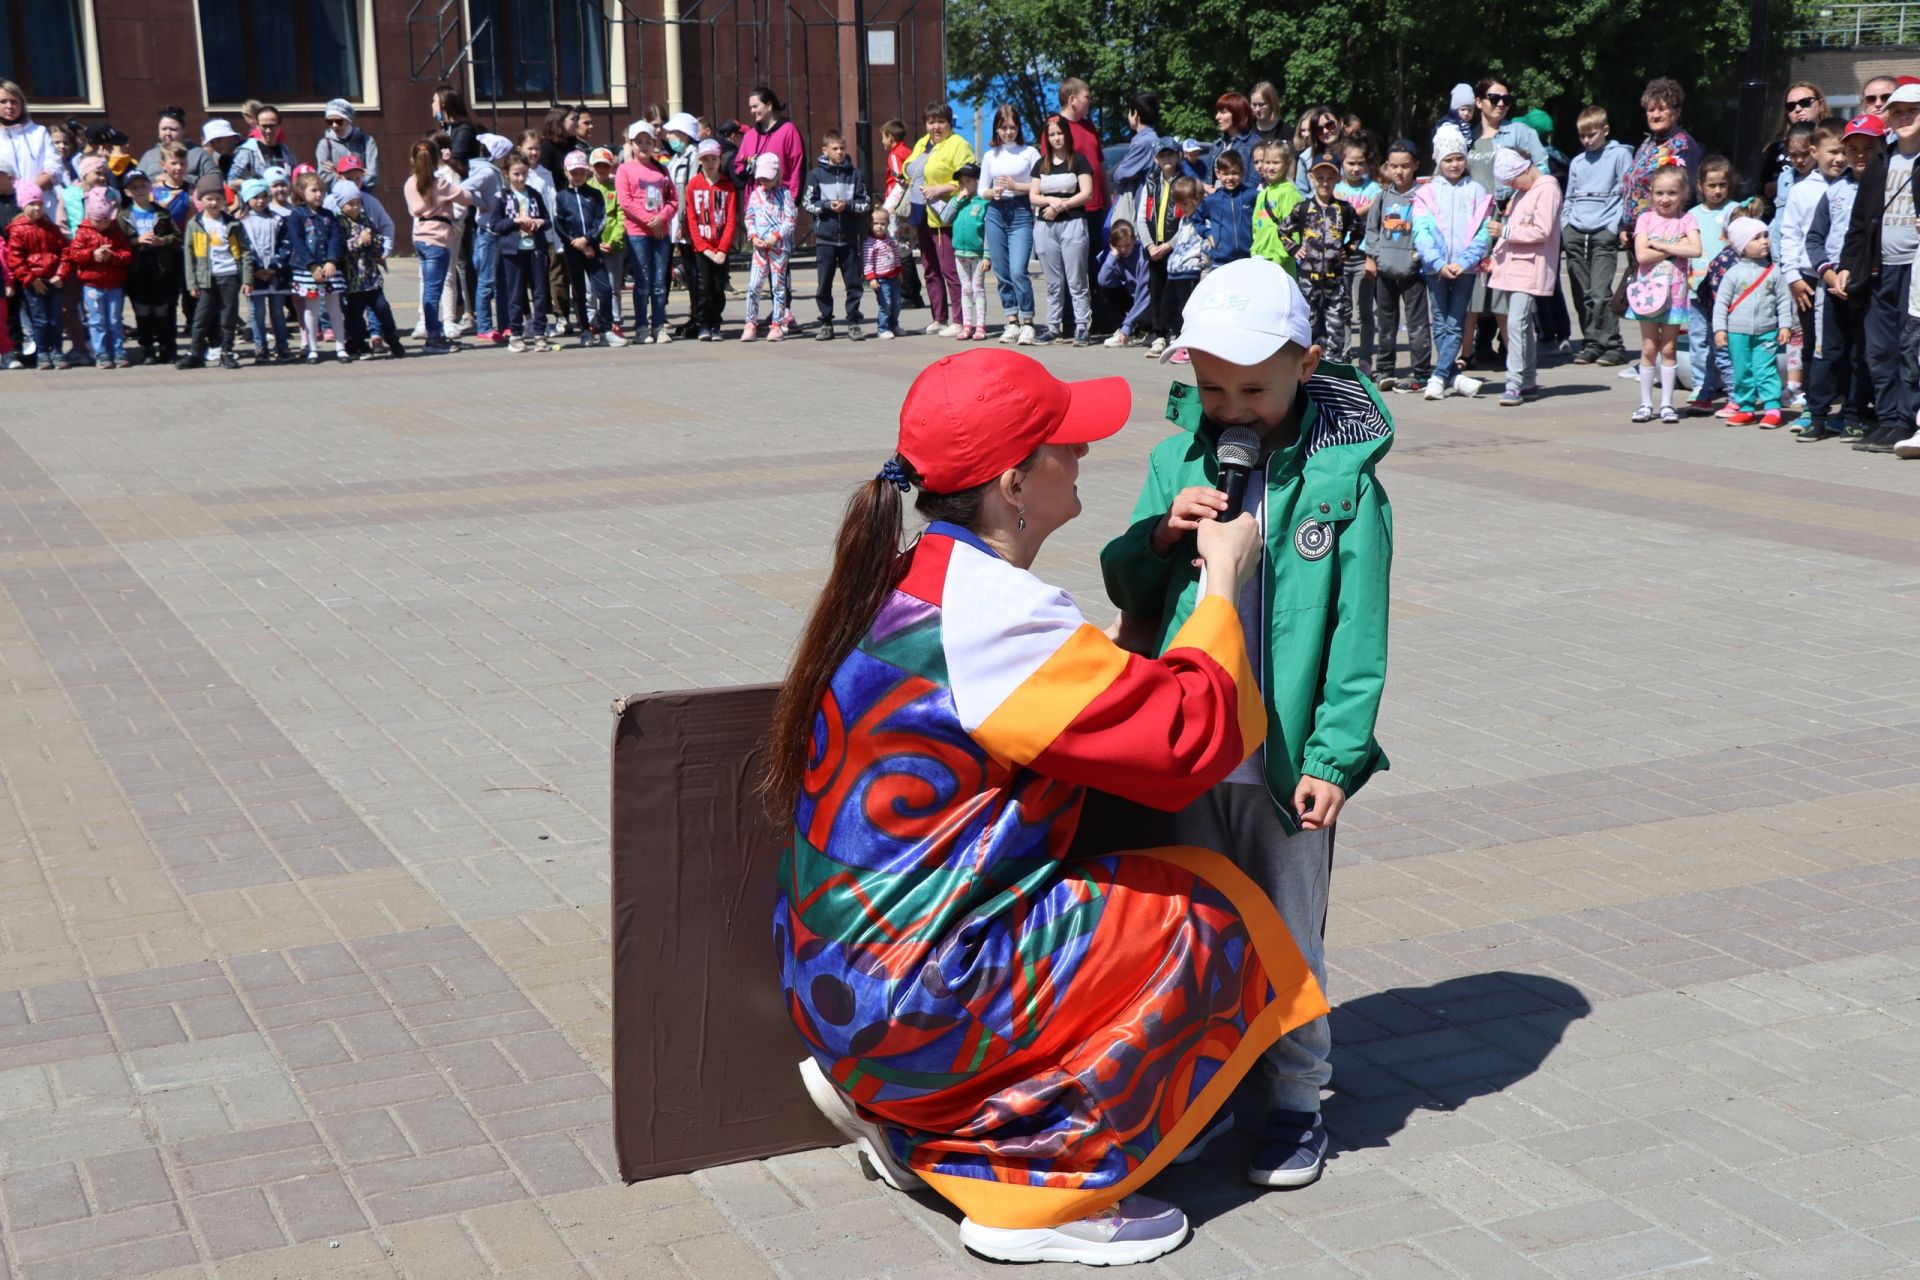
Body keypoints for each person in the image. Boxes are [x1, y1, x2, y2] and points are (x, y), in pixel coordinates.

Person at [770, 344, 1320, 1267]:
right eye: (1068, 445)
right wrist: (1225, 574)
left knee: (1147, 890)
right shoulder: (998, 615)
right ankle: (1043, 1186)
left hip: (840, 978)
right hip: (915, 995)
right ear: (1015, 481)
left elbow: (1087, 696)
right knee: (1214, 918)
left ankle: (910, 1114)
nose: (1086, 457)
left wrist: (1148, 580)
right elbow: (1187, 738)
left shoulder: (922, 576)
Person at [1101, 255, 1391, 1198]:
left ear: (1306, 365)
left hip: (1282, 761)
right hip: (1185, 753)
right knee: (1186, 926)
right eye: (1210, 387)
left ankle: (1298, 1097)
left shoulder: (1347, 483)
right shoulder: (1174, 458)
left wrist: (1336, 757)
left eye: (1253, 388)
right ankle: (1202, 1088)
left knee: (1287, 930)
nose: (1230, 407)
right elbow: (1128, 592)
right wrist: (1158, 538)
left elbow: (1359, 629)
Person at [1836, 77, 1920, 454]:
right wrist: (1846, 266)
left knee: (1910, 347)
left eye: (1911, 111)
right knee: (1879, 348)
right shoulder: (1879, 162)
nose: (1903, 118)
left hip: (1915, 268)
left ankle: (1910, 420)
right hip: (1879, 267)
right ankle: (1889, 420)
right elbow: (1858, 223)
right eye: (1896, 113)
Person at [1800, 114, 1879, 443]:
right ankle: (1817, 414)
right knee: (1826, 352)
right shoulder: (1833, 192)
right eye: (1853, 149)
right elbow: (1814, 239)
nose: (1860, 155)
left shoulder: (1883, 188)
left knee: (1861, 354)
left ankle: (1853, 414)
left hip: (1868, 287)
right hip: (1831, 286)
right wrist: (1829, 275)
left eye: (1868, 148)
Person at [1413, 130, 1492, 399]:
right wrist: (1437, 261)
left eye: (1459, 158)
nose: (1454, 164)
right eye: (1448, 159)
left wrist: (1465, 261)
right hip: (1435, 269)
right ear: (1438, 161)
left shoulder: (1477, 190)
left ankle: (1438, 376)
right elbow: (1421, 232)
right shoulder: (1426, 193)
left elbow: (1483, 232)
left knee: (1456, 322)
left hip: (1466, 269)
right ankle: (1452, 376)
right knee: (1440, 320)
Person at [1625, 163, 1702, 423]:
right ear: (1651, 194)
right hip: (1648, 294)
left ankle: (1668, 404)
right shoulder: (1645, 219)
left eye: (1671, 193)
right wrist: (1672, 247)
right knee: (1648, 347)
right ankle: (1646, 403)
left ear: (1683, 194)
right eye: (1659, 193)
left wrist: (1658, 244)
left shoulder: (1687, 219)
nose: (1665, 199)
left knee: (1668, 347)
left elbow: (1696, 249)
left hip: (1676, 294)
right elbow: (1641, 254)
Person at [1487, 147, 1562, 406]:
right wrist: (1496, 256)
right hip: (1515, 268)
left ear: (1523, 170)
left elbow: (1541, 230)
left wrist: (1504, 231)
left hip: (1530, 269)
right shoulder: (1524, 192)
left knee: (1516, 324)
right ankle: (1528, 379)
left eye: (1511, 180)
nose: (1510, 186)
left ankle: (1514, 382)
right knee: (1523, 325)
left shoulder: (1547, 189)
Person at [1778, 125, 1843, 416]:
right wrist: (1792, 276)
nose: (1840, 158)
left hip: (1842, 275)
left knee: (1841, 341)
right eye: (1833, 151)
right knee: (1811, 343)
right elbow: (1789, 234)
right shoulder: (1802, 191)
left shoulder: (1854, 186)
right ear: (1816, 153)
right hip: (1807, 277)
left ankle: (1843, 399)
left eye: (1845, 152)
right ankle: (1813, 401)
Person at [1563, 105, 1634, 365]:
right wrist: (1566, 226)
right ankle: (1592, 342)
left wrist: (1613, 227)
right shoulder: (1578, 162)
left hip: (1604, 229)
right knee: (1582, 292)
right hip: (1576, 230)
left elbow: (1626, 193)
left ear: (1605, 130)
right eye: (1583, 136)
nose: (1587, 140)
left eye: (1592, 134)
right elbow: (1569, 195)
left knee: (1600, 291)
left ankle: (1613, 344)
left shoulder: (1619, 155)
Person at [1714, 217, 1794, 427]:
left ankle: (1772, 408)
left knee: (1766, 369)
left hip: (1767, 331)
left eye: (1766, 236)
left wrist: (1785, 325)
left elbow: (1784, 300)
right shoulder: (1733, 274)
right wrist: (1720, 329)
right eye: (1756, 238)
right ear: (1742, 246)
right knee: (1742, 370)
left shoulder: (1774, 271)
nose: (1764, 241)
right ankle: (1746, 407)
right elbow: (1721, 303)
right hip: (1737, 332)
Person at [905, 103, 976, 337]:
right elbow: (910, 168)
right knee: (930, 268)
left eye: (940, 122)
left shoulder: (958, 144)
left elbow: (969, 180)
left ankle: (960, 319)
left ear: (949, 123)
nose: (935, 127)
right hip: (922, 212)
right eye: (931, 122)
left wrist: (941, 188)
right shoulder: (923, 143)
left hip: (946, 215)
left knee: (950, 269)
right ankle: (939, 317)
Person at [1281, 158, 1361, 362]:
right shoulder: (1303, 208)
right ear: (1311, 178)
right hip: (1309, 278)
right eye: (1320, 178)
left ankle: (1335, 363)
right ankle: (1309, 364)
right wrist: (1295, 248)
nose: (1325, 183)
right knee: (1309, 323)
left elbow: (1359, 231)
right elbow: (1283, 230)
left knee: (1336, 322)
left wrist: (1348, 250)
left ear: (1337, 179)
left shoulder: (1344, 209)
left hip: (1335, 278)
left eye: (1330, 178)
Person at [1368, 139, 1431, 393]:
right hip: (1385, 270)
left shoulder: (1423, 197)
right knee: (1385, 323)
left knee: (1417, 325)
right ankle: (1384, 370)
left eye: (1405, 166)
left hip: (1412, 271)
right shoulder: (1382, 197)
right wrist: (1373, 257)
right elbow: (1371, 230)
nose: (1399, 171)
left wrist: (1420, 257)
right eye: (1394, 166)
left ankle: (1422, 372)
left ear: (1415, 165)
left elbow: (1429, 230)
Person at [402, 139, 473, 354]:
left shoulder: (409, 183)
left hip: (421, 238)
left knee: (428, 287)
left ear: (413, 159)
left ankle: (435, 332)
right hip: (438, 239)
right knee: (435, 290)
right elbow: (467, 197)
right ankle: (433, 338)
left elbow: (414, 209)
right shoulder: (439, 183)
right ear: (435, 159)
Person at [802, 129, 872, 341]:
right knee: (824, 283)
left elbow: (866, 203)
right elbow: (807, 203)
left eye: (842, 148)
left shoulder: (855, 174)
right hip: (826, 240)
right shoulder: (816, 175)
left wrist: (848, 206)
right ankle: (825, 322)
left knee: (853, 282)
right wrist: (826, 206)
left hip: (849, 239)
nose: (840, 152)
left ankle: (853, 321)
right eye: (835, 149)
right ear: (825, 150)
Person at [1030, 114, 1093, 346]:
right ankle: (1053, 326)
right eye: (1052, 134)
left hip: (1073, 223)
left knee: (1077, 279)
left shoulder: (1078, 161)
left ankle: (1082, 326)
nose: (1057, 138)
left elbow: (1086, 192)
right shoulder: (1041, 164)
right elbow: (1033, 195)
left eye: (1060, 133)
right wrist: (1051, 202)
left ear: (1067, 134)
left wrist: (1061, 205)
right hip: (1045, 226)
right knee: (1053, 282)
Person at [178, 172, 252, 369]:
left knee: (229, 317)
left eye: (218, 199)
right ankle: (195, 352)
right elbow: (189, 256)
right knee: (201, 317)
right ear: (201, 200)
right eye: (209, 199)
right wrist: (191, 283)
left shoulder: (232, 223)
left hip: (229, 275)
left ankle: (227, 352)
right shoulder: (195, 224)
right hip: (206, 278)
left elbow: (245, 252)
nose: (213, 203)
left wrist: (246, 279)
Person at [1682, 156, 1738, 413]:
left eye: (1722, 185)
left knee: (1724, 341)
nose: (1717, 191)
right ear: (1700, 185)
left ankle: (1733, 388)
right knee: (1698, 338)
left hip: (1727, 293)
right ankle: (1700, 385)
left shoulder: (1735, 211)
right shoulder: (1691, 216)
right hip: (1697, 289)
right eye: (1712, 185)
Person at [981, 106, 1041, 345]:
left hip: (1020, 211)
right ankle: (1011, 319)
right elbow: (980, 189)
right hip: (996, 212)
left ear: (1019, 128)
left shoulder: (1029, 153)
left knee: (1018, 270)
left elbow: (1040, 185)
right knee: (1002, 272)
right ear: (996, 128)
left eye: (1012, 128)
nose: (1008, 132)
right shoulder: (990, 155)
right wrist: (991, 192)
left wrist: (1017, 186)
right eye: (1003, 127)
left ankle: (1028, 321)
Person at [616, 126, 676, 345]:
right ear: (631, 144)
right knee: (642, 280)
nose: (643, 146)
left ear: (654, 144)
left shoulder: (661, 169)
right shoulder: (625, 170)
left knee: (660, 280)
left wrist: (662, 218)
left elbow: (673, 200)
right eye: (639, 141)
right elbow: (626, 201)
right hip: (638, 232)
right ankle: (642, 326)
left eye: (648, 141)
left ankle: (659, 325)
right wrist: (650, 220)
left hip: (661, 232)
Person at [554, 151, 619, 346]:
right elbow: (559, 224)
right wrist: (576, 242)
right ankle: (585, 330)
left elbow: (601, 220)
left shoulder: (595, 194)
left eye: (582, 172)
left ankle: (606, 329)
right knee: (580, 293)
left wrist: (589, 241)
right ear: (566, 172)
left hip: (593, 249)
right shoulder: (562, 197)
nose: (578, 176)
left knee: (605, 290)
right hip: (573, 250)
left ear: (587, 172)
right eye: (574, 172)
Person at [119, 168, 182, 364]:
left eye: (143, 186)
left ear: (150, 187)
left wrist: (162, 241)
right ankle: (147, 347)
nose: (139, 190)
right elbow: (119, 242)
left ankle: (167, 346)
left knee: (163, 308)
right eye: (134, 187)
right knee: (143, 309)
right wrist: (137, 240)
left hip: (160, 265)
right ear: (128, 192)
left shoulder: (161, 212)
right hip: (138, 267)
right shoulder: (124, 215)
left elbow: (176, 236)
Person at [1621, 79, 1701, 230]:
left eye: (1662, 109)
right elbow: (1632, 187)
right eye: (1651, 110)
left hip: (1663, 233)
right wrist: (1623, 228)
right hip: (1636, 234)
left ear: (1676, 112)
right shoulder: (1646, 145)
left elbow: (1688, 195)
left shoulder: (1683, 145)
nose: (1655, 115)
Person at [64, 186, 131, 368]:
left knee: (115, 320)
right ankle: (101, 353)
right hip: (92, 284)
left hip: (114, 284)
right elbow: (74, 254)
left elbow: (126, 254)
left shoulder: (116, 232)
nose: (102, 224)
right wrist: (92, 254)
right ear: (90, 216)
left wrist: (112, 256)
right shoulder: (83, 232)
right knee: (97, 320)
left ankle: (118, 351)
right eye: (98, 220)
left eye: (105, 220)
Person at [492, 155, 553, 353]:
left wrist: (540, 223)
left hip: (535, 249)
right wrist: (515, 221)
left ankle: (539, 333)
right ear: (507, 174)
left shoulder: (534, 194)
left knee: (540, 293)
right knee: (516, 294)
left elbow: (547, 219)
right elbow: (495, 225)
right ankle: (516, 334)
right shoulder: (502, 196)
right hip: (513, 251)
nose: (520, 178)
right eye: (516, 174)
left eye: (524, 174)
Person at [338, 184, 404, 359]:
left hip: (371, 278)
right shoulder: (340, 223)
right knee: (355, 315)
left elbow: (378, 242)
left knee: (382, 307)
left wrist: (374, 241)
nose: (355, 208)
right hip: (353, 281)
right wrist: (358, 241)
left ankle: (391, 336)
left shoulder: (365, 220)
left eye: (358, 203)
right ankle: (358, 342)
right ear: (341, 205)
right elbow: (340, 250)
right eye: (350, 204)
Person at [286, 172, 347, 364]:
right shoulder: (297, 215)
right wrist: (312, 265)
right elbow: (298, 242)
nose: (319, 194)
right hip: (307, 271)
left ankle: (340, 346)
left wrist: (331, 260)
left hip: (330, 270)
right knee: (311, 308)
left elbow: (336, 238)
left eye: (321, 190)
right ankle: (312, 347)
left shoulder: (329, 215)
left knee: (334, 307)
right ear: (301, 192)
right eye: (314, 190)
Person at [1334, 135, 1382, 371]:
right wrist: (1364, 208)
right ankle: (1344, 355)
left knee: (1365, 311)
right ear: (1342, 162)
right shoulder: (1335, 187)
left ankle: (1365, 359)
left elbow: (1373, 220)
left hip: (1364, 255)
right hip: (1340, 255)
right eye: (1350, 162)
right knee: (1343, 309)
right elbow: (1342, 215)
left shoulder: (1374, 189)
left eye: (1360, 163)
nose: (1355, 168)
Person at [7, 182, 68, 368]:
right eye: (31, 204)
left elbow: (65, 252)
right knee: (40, 319)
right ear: (23, 205)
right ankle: (42, 353)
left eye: (39, 204)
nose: (36, 208)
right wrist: (31, 279)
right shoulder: (18, 229)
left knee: (55, 318)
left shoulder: (51, 228)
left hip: (53, 280)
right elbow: (15, 259)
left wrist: (61, 274)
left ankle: (57, 351)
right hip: (34, 283)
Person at [685, 139, 736, 341]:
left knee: (718, 287)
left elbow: (731, 220)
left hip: (720, 249)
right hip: (703, 249)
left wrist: (722, 249)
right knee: (703, 288)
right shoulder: (693, 185)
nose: (710, 163)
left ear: (720, 159)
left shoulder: (727, 186)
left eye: (713, 159)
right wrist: (703, 247)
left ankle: (716, 323)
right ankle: (703, 324)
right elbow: (691, 219)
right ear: (700, 161)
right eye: (705, 159)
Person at [741, 152, 796, 341]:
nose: (765, 181)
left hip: (778, 248)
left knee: (778, 287)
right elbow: (749, 217)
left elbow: (790, 220)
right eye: (762, 177)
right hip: (759, 248)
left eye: (769, 178)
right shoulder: (756, 195)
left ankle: (777, 324)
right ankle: (750, 323)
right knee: (754, 285)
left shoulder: (786, 195)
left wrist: (776, 236)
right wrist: (753, 236)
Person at [462, 133, 511, 342]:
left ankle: (505, 324)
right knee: (487, 279)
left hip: (500, 230)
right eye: (506, 154)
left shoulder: (496, 172)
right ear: (497, 154)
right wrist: (480, 203)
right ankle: (484, 326)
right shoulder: (488, 173)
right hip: (488, 233)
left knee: (502, 280)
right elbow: (463, 188)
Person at [1139, 138, 1186, 354]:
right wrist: (1149, 246)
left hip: (1176, 248)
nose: (1166, 158)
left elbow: (1188, 220)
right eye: (1162, 155)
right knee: (1156, 291)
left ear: (1178, 156)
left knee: (1177, 292)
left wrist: (1169, 245)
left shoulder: (1185, 182)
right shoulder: (1150, 182)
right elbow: (1141, 217)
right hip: (1154, 248)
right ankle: (1159, 333)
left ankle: (1178, 332)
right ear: (1155, 158)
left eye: (1170, 154)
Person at [238, 178, 290, 364]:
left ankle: (282, 346)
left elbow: (285, 245)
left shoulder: (277, 219)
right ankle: (261, 347)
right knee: (257, 313)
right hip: (254, 276)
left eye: (263, 197)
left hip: (276, 274)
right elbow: (241, 249)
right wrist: (255, 270)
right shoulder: (240, 223)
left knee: (277, 312)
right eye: (255, 197)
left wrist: (274, 267)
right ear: (246, 199)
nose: (260, 201)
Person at [661, 112, 701, 338]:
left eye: (673, 133)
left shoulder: (693, 157)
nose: (669, 137)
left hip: (686, 224)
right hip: (675, 222)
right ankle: (694, 315)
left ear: (685, 134)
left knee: (694, 272)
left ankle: (698, 316)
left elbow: (692, 190)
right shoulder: (677, 158)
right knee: (688, 269)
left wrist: (685, 221)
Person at [879, 118, 925, 310]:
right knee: (906, 247)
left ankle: (907, 293)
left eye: (883, 137)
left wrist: (889, 208)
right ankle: (915, 292)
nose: (882, 141)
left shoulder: (894, 154)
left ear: (891, 137)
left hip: (897, 206)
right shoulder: (909, 152)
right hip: (909, 205)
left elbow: (901, 178)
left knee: (900, 248)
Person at [1760, 83, 1828, 202]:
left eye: (1805, 102)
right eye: (1791, 106)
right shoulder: (1777, 148)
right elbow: (1763, 189)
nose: (1797, 109)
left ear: (1821, 104)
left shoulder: (1834, 141)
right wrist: (1789, 181)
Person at [947, 163, 989, 340]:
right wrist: (957, 200)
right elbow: (945, 217)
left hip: (977, 254)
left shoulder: (984, 203)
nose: (964, 186)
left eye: (968, 181)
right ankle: (967, 325)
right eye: (961, 183)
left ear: (977, 182)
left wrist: (987, 254)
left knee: (977, 288)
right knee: (965, 289)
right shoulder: (958, 201)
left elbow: (988, 231)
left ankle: (980, 326)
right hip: (960, 254)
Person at [1250, 139, 1303, 277]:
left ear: (1287, 164)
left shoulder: (1289, 192)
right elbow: (1256, 226)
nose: (1270, 167)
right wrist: (1255, 250)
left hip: (1281, 260)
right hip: (1261, 256)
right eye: (1267, 162)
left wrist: (1283, 255)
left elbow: (1294, 228)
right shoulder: (1263, 193)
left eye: (1276, 163)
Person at [0, 81, 61, 194]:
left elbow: (55, 166)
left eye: (14, 102)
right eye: (3, 102)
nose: (9, 106)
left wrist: (29, 191)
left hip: (39, 202)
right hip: (5, 206)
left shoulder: (38, 132)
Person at [1097, 218, 1151, 346]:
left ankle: (1137, 329)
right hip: (1131, 299)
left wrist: (1127, 325)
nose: (1123, 250)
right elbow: (1102, 280)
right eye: (1119, 246)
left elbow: (1143, 295)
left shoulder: (1142, 256)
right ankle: (1131, 327)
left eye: (1127, 245)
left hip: (1146, 301)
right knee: (1105, 288)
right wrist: (1113, 255)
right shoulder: (1116, 255)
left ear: (1134, 239)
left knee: (1146, 315)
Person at [1202, 150, 1258, 268]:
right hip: (1220, 260)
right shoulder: (1212, 200)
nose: (1230, 178)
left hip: (1248, 259)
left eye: (1234, 173)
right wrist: (1207, 234)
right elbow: (1195, 217)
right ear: (1218, 174)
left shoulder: (1252, 195)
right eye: (1226, 174)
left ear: (1242, 172)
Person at [317, 100, 380, 190]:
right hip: (337, 197)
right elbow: (324, 177)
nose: (334, 125)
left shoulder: (366, 141)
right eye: (329, 122)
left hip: (363, 196)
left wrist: (337, 174)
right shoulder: (325, 144)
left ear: (348, 119)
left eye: (339, 121)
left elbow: (373, 175)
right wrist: (359, 176)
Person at [860, 208, 903, 338]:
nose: (879, 227)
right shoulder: (869, 243)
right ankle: (882, 328)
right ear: (870, 225)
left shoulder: (889, 240)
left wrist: (899, 271)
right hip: (881, 280)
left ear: (888, 224)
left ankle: (893, 325)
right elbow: (867, 262)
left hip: (893, 277)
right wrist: (871, 278)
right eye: (876, 223)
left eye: (883, 224)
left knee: (896, 303)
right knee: (886, 304)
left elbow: (895, 256)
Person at [228, 106, 293, 183]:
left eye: (272, 126)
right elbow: (231, 181)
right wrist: (256, 184)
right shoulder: (247, 151)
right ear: (257, 126)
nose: (268, 131)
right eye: (264, 126)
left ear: (279, 126)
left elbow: (294, 176)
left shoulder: (285, 151)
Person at [1294, 106, 1343, 193]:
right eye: (1319, 129)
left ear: (1340, 123)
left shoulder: (1356, 152)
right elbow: (1301, 192)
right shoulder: (1305, 158)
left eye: (1330, 125)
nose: (1325, 131)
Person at [136, 107, 187, 182]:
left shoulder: (199, 154)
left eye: (173, 129)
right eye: (164, 129)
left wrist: (181, 179)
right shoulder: (149, 155)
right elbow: (137, 180)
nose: (167, 133)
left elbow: (209, 180)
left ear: (184, 130)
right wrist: (154, 179)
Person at [188, 119, 241, 187]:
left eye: (219, 140)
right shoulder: (223, 160)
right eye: (212, 142)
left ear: (232, 137)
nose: (216, 145)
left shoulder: (248, 151)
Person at [1214, 92, 1257, 176]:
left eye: (1223, 112)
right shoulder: (1217, 144)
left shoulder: (1254, 144)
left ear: (1238, 114)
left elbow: (1254, 182)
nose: (1217, 117)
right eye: (1218, 112)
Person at [1249, 82, 1287, 148]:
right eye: (1254, 105)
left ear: (1272, 104)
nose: (1257, 109)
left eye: (1261, 105)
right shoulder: (1247, 129)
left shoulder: (1285, 130)